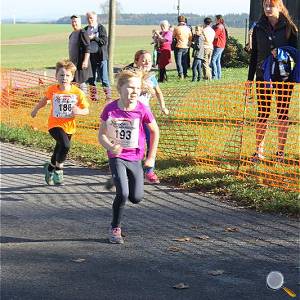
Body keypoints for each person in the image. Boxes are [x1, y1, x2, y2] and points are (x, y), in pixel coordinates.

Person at [98, 69, 160, 244]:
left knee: (136, 197)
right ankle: (115, 228)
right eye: (131, 88)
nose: (135, 92)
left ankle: (118, 179)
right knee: (123, 193)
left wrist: (151, 157)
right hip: (116, 155)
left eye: (138, 88)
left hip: (136, 157)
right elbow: (101, 134)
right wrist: (110, 146)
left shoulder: (142, 109)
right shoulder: (110, 109)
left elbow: (155, 131)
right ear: (120, 88)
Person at [247, 0, 299, 163]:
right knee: (263, 114)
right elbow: (254, 54)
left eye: (272, 6)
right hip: (263, 76)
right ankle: (258, 151)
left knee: (282, 114)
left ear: (279, 7)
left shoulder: (290, 28)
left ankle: (280, 153)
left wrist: (282, 53)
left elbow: (296, 55)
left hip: (284, 78)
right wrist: (250, 79)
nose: (268, 9)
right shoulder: (257, 28)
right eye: (265, 6)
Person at [31, 59, 90, 185]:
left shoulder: (77, 92)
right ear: (56, 75)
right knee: (66, 145)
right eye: (61, 75)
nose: (64, 78)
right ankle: (59, 169)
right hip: (54, 125)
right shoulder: (53, 89)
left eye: (67, 75)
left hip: (69, 126)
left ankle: (50, 168)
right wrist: (35, 109)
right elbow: (45, 100)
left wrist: (79, 111)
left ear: (72, 77)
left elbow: (86, 110)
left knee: (59, 149)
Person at [129, 50, 169, 183]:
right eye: (143, 60)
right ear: (136, 62)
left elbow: (158, 93)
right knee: (134, 141)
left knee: (151, 139)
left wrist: (163, 106)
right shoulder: (131, 75)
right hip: (132, 113)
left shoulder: (152, 77)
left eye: (149, 60)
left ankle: (150, 171)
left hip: (146, 113)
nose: (146, 62)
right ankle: (131, 168)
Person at [84, 11, 111, 101]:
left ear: (95, 18)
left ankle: (108, 98)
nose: (89, 20)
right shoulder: (85, 29)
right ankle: (94, 98)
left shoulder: (101, 28)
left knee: (104, 79)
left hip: (101, 57)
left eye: (91, 18)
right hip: (90, 58)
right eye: (88, 18)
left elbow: (104, 41)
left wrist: (94, 38)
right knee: (91, 79)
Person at [69, 15, 93, 95]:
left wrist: (85, 61)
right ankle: (76, 99)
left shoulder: (82, 33)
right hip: (73, 63)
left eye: (75, 21)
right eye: (72, 21)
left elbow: (87, 47)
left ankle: (84, 99)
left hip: (81, 63)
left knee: (81, 81)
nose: (74, 23)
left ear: (79, 22)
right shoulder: (72, 34)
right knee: (75, 81)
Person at [173, 15, 193, 79]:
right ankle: (185, 73)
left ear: (178, 21)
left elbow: (173, 36)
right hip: (186, 46)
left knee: (178, 61)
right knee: (184, 61)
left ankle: (180, 74)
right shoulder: (188, 28)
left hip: (179, 46)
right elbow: (190, 37)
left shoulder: (176, 28)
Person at [211, 15, 227, 80]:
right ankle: (218, 76)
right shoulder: (221, 26)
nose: (214, 20)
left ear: (218, 19)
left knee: (213, 60)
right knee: (217, 61)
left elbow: (215, 36)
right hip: (220, 45)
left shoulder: (219, 27)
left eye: (215, 19)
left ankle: (214, 76)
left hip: (218, 45)